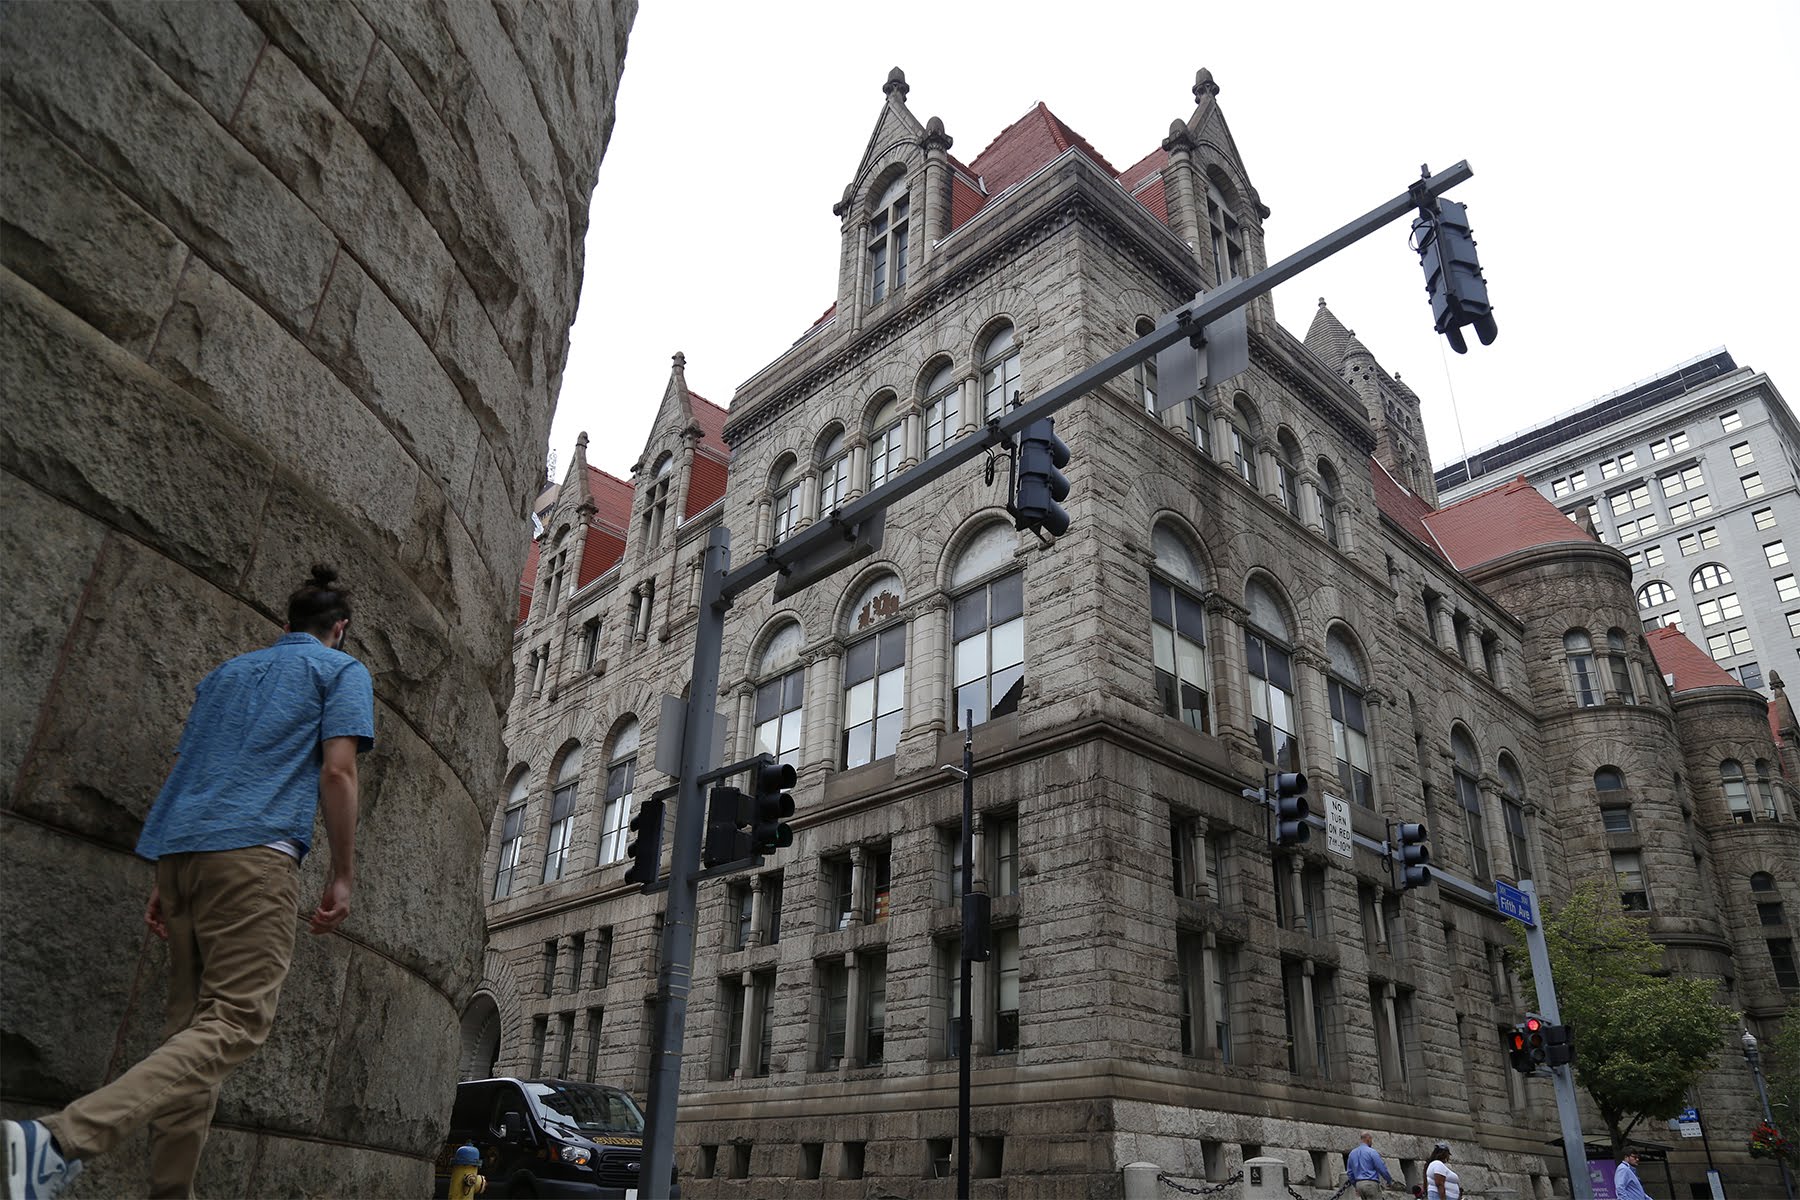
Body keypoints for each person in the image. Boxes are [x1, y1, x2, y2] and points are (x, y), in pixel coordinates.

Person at [3, 565, 375, 1200]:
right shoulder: (340, 670)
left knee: (190, 1041)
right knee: (236, 1022)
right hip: (254, 857)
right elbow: (338, 773)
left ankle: (169, 1193)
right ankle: (58, 1141)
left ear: (285, 623)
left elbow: (190, 767)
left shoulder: (227, 675)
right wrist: (342, 873)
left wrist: (164, 872)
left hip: (184, 856)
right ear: (337, 629)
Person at [1347, 1131, 1397, 1197]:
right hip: (1370, 1184)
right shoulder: (1372, 1152)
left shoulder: (1352, 1153)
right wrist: (1389, 1180)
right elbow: (1381, 1168)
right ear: (1368, 1139)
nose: (1371, 1141)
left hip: (1359, 1184)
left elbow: (1350, 1173)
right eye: (1371, 1139)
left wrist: (1355, 1185)